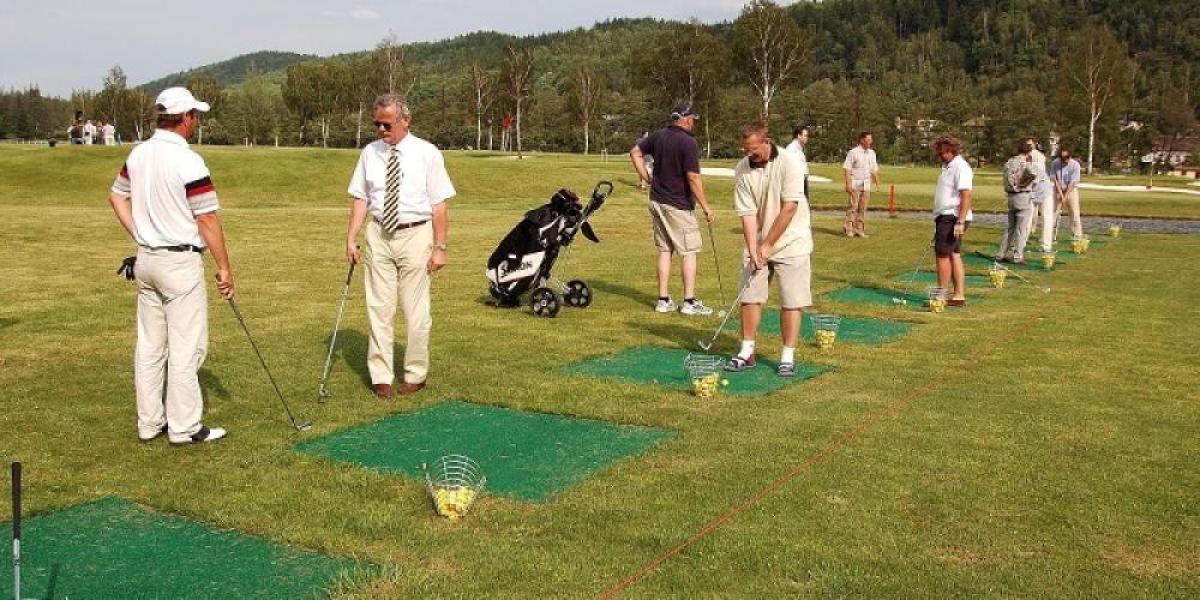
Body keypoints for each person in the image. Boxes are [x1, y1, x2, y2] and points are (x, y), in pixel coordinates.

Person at [106, 87, 233, 445]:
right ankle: (184, 427)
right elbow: (206, 218)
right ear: (186, 118)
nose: (197, 122)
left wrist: (141, 233)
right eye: (196, 115)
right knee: (186, 346)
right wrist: (224, 267)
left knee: (150, 345)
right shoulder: (189, 160)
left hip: (146, 261)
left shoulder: (138, 154)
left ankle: (149, 423)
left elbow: (117, 195)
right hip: (178, 263)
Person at [345, 94, 454, 399]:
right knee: (379, 308)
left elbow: (439, 204)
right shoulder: (369, 153)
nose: (381, 129)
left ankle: (416, 374)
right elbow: (361, 198)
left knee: (416, 311)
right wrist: (351, 238)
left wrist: (440, 246)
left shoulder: (427, 153)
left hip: (416, 236)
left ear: (405, 121)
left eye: (387, 123)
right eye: (377, 123)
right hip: (379, 234)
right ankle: (381, 375)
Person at [724, 123, 812, 377]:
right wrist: (753, 249)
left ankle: (787, 356)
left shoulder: (790, 162)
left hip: (792, 240)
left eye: (754, 150)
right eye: (746, 151)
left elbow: (789, 208)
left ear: (767, 141)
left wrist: (768, 245)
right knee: (750, 294)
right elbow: (748, 214)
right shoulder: (742, 169)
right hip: (760, 240)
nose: (750, 156)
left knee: (791, 299)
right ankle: (746, 351)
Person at [630, 102, 716, 315]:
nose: (693, 123)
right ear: (686, 119)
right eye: (693, 119)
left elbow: (635, 152)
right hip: (678, 204)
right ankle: (689, 301)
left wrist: (646, 177)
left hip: (657, 200)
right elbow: (693, 177)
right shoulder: (688, 142)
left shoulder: (658, 135)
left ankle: (663, 299)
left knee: (665, 249)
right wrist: (706, 206)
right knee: (689, 251)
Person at [930, 135, 973, 306]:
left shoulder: (960, 167)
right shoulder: (948, 166)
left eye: (941, 153)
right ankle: (958, 296)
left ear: (950, 150)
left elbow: (966, 194)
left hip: (952, 217)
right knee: (954, 254)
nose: (938, 156)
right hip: (946, 217)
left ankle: (940, 296)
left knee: (942, 255)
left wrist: (960, 221)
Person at [996, 140, 1038, 263]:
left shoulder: (1009, 162)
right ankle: (1018, 256)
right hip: (1023, 196)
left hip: (1010, 196)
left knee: (1010, 228)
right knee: (1021, 229)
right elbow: (1033, 177)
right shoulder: (1025, 163)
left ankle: (1001, 253)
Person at [841, 131, 879, 237]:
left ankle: (859, 229)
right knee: (853, 207)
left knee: (863, 208)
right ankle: (849, 228)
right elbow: (847, 169)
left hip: (866, 184)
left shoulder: (872, 153)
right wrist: (848, 184)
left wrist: (877, 182)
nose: (870, 142)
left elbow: (874, 169)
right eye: (868, 140)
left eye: (871, 140)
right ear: (862, 140)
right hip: (855, 183)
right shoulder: (853, 152)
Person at [1050, 148, 1084, 244]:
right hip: (1058, 189)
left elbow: (1073, 183)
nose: (1064, 160)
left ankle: (1077, 236)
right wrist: (1060, 194)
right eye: (1062, 158)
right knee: (1053, 213)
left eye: (1066, 158)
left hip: (1071, 191)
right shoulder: (1055, 163)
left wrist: (1065, 196)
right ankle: (1049, 236)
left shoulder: (1075, 165)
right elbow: (1055, 179)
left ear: (1070, 157)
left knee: (1075, 213)